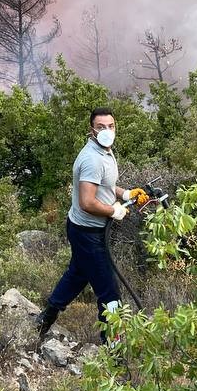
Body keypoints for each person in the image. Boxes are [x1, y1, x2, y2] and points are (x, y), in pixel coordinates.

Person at [35, 107, 145, 343]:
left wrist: (125, 193)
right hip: (88, 233)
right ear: (91, 130)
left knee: (77, 274)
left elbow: (103, 186)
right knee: (110, 294)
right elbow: (87, 202)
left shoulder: (105, 151)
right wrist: (114, 210)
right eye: (101, 127)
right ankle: (114, 351)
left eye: (111, 126)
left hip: (85, 230)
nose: (107, 131)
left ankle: (45, 319)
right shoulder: (92, 159)